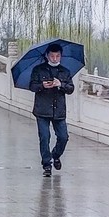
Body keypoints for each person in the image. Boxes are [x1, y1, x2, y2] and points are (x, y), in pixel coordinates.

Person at [29, 42, 75, 177]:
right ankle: (46, 164)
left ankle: (55, 155)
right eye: (52, 56)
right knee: (44, 137)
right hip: (42, 110)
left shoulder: (65, 72)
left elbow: (70, 89)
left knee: (63, 137)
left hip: (59, 110)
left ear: (61, 56)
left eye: (57, 56)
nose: (55, 59)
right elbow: (32, 86)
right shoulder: (38, 70)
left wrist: (60, 84)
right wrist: (42, 85)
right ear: (47, 56)